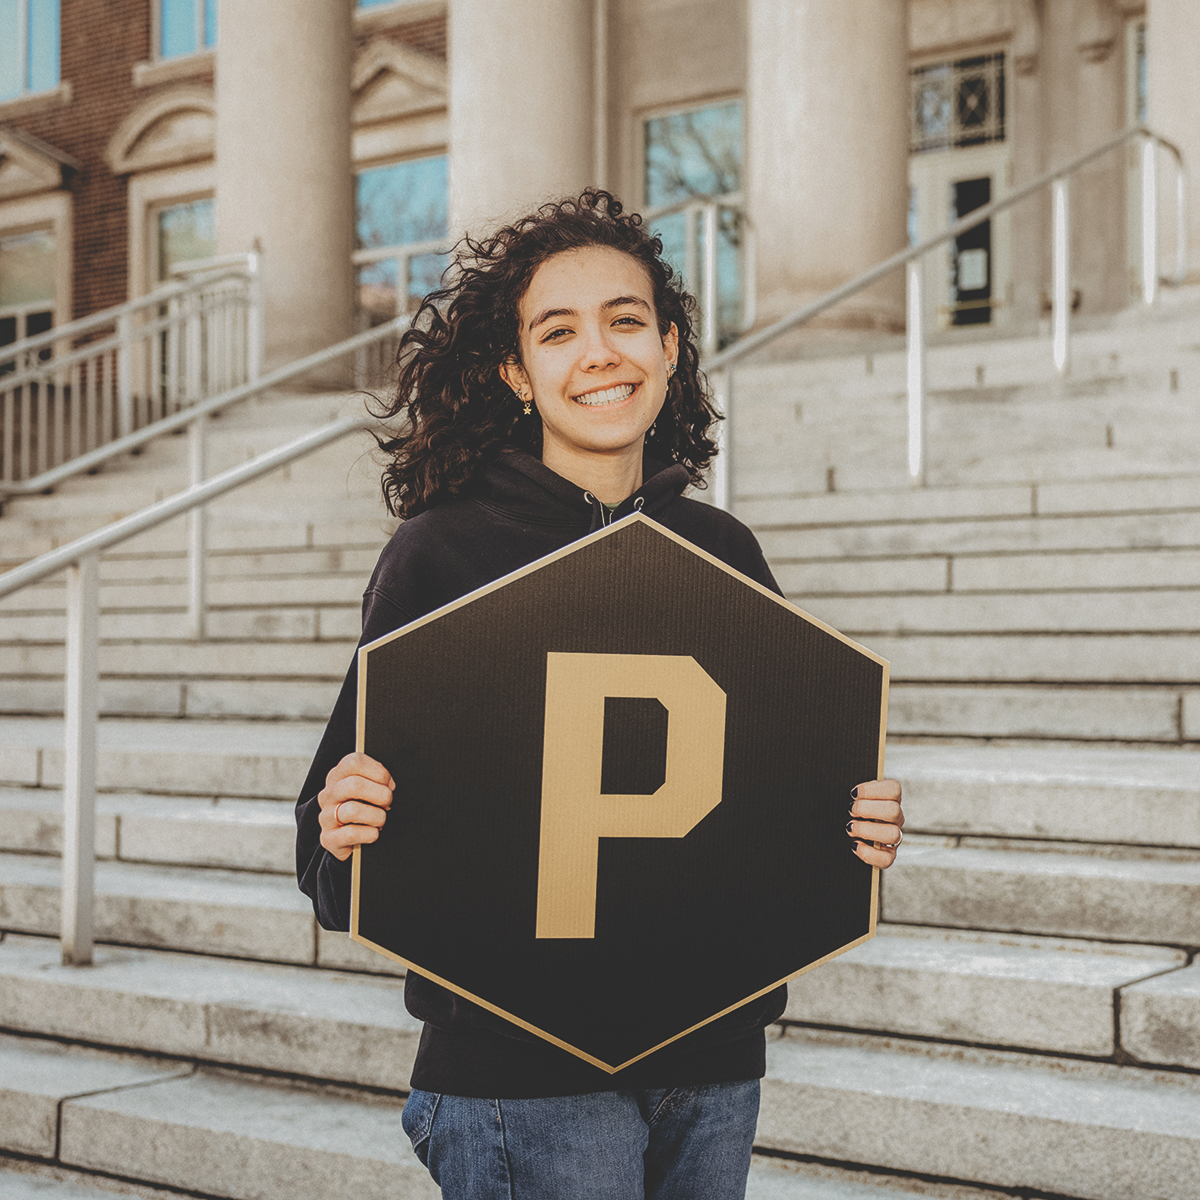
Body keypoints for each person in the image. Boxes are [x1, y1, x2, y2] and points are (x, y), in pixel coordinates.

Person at [295, 189, 904, 1200]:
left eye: (626, 321)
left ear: (669, 348)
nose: (600, 353)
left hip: (711, 1064)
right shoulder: (441, 553)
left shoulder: (724, 553)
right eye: (558, 330)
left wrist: (852, 825)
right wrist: (347, 824)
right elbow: (325, 863)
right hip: (520, 1078)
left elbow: (772, 800)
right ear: (515, 371)